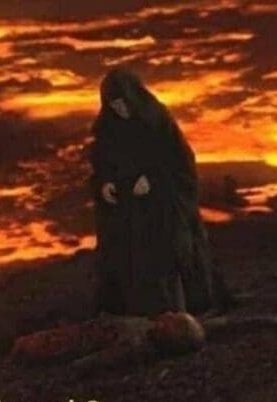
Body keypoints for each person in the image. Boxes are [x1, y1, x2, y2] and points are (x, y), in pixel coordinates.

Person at [90, 66, 229, 318]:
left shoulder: (156, 120)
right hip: (127, 209)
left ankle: (181, 312)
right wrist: (105, 183)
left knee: (167, 256)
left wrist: (153, 180)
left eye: (122, 103)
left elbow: (180, 161)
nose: (120, 110)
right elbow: (101, 163)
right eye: (114, 105)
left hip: (160, 208)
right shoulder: (107, 128)